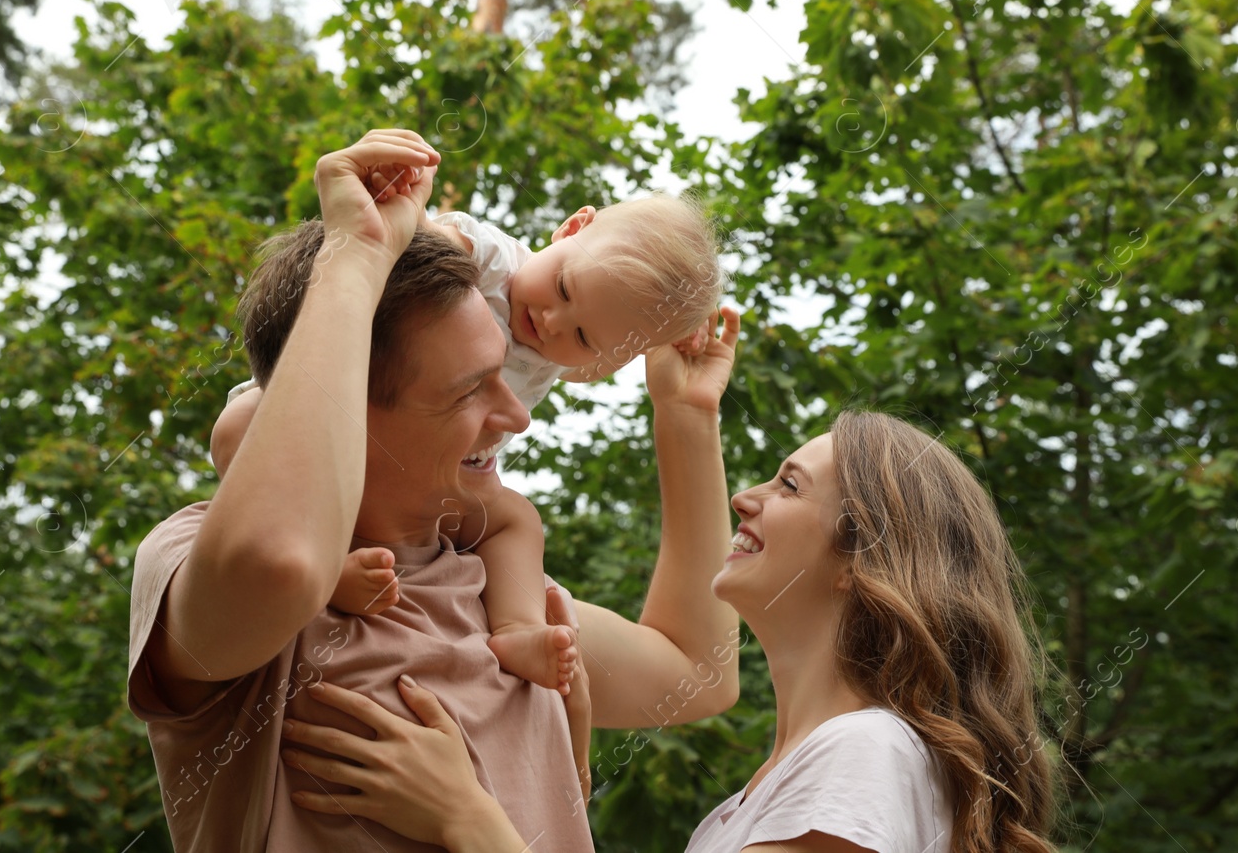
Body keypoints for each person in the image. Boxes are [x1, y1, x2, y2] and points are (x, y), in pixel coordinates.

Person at [127, 131, 742, 851]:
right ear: (347, 408)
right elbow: (280, 560)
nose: (515, 415)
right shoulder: (208, 561)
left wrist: (687, 415)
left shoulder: (489, 590)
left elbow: (698, 673)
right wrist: (355, 256)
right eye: (469, 391)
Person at [281, 410, 1061, 853]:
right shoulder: (783, 785)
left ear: (861, 560)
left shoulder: (862, 755)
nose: (750, 498)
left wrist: (466, 814)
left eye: (789, 484)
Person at [209, 138, 724, 693]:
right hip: (318, 442)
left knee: (516, 520)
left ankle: (519, 625)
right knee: (238, 426)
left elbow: (696, 676)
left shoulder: (572, 355)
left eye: (581, 335)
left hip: (442, 483)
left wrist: (680, 387)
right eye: (563, 288)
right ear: (571, 228)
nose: (550, 322)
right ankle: (329, 563)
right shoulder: (490, 257)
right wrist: (387, 205)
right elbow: (412, 253)